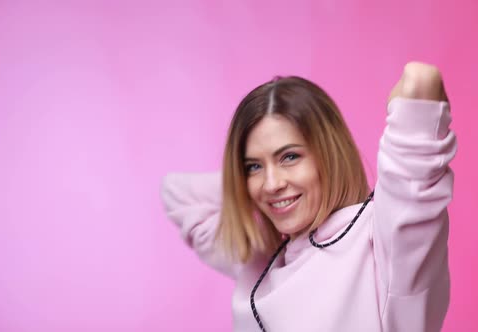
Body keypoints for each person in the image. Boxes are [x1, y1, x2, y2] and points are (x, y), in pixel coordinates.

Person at [161, 61, 457, 331]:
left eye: (289, 157)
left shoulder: (383, 241)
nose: (271, 184)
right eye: (253, 166)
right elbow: (176, 192)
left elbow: (420, 80)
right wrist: (243, 181)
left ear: (329, 153)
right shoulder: (261, 258)